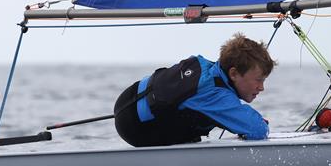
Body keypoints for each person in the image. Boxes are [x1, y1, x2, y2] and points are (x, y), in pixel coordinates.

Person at [113, 33, 275, 147]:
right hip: (135, 128)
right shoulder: (215, 94)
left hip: (128, 100)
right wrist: (256, 123)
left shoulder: (206, 68)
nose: (261, 87)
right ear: (233, 73)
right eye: (258, 80)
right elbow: (257, 130)